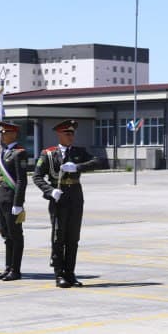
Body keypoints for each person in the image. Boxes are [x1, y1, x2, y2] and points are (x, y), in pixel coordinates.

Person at [33, 120, 100, 288]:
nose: (71, 137)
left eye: (72, 134)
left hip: (75, 197)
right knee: (59, 236)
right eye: (67, 133)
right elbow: (37, 177)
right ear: (59, 134)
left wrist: (77, 167)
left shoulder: (79, 152)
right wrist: (50, 191)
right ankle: (59, 274)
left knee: (73, 237)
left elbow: (99, 161)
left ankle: (70, 273)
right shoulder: (48, 154)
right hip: (58, 198)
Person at [0, 120, 30, 282]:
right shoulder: (3, 153)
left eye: (4, 132)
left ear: (13, 134)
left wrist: (18, 203)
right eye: (1, 132)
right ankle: (8, 268)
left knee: (15, 235)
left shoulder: (19, 153)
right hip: (1, 199)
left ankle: (15, 270)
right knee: (6, 235)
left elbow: (21, 180)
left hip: (11, 201)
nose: (1, 135)